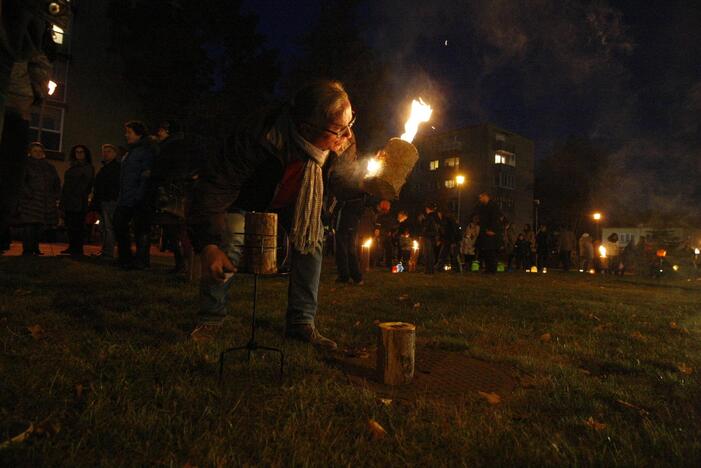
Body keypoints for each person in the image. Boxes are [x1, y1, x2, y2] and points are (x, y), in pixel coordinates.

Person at [188, 80, 357, 349]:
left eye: (351, 124)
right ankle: (211, 317)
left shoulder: (338, 140)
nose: (347, 136)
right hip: (246, 196)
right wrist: (207, 244)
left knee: (311, 241)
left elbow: (342, 182)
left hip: (298, 201)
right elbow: (217, 184)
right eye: (339, 129)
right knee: (228, 240)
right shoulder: (258, 134)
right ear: (305, 127)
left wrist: (368, 183)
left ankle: (302, 321)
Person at [150, 119, 198, 275]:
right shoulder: (186, 145)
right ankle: (185, 266)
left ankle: (184, 266)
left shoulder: (170, 147)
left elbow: (162, 169)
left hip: (173, 192)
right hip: (180, 190)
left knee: (174, 229)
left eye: (162, 130)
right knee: (178, 230)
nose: (159, 133)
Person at [113, 120, 156, 269]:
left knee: (140, 229)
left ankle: (141, 261)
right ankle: (126, 258)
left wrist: (140, 195)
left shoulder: (145, 151)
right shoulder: (132, 151)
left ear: (139, 134)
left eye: (129, 132)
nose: (126, 135)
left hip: (138, 197)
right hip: (126, 197)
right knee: (119, 225)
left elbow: (145, 175)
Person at [14, 142, 60, 255]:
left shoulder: (49, 167)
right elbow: (20, 182)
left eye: (40, 151)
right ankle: (28, 249)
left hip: (45, 202)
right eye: (35, 151)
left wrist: (55, 195)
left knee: (39, 226)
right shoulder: (26, 165)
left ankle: (35, 248)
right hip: (30, 202)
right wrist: (28, 194)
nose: (38, 153)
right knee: (29, 226)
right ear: (30, 152)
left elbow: (56, 182)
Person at [60, 145, 94, 256]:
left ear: (85, 154)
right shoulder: (72, 167)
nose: (79, 154)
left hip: (79, 201)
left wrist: (79, 194)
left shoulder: (88, 167)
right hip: (69, 200)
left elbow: (86, 185)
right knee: (70, 226)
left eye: (81, 152)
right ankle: (72, 247)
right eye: (77, 152)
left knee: (77, 226)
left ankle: (77, 249)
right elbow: (66, 185)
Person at [91, 144, 121, 259]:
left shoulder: (116, 168)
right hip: (103, 201)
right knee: (103, 227)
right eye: (104, 152)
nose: (105, 154)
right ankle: (104, 250)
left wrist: (111, 197)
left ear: (114, 154)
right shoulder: (105, 168)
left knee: (108, 227)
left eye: (108, 151)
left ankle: (108, 252)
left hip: (109, 201)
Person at [473, 192, 502, 273]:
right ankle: (488, 269)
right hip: (485, 231)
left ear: (485, 196)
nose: (480, 199)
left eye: (481, 197)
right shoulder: (483, 207)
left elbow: (495, 219)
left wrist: (492, 230)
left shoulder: (493, 206)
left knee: (491, 251)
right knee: (486, 251)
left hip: (491, 232)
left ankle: (492, 269)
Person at [420, 202, 440, 274]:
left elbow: (425, 226)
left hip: (428, 236)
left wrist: (422, 220)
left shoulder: (429, 216)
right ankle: (431, 270)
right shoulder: (436, 216)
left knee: (427, 254)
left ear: (428, 208)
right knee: (431, 253)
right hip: (433, 237)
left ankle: (428, 270)